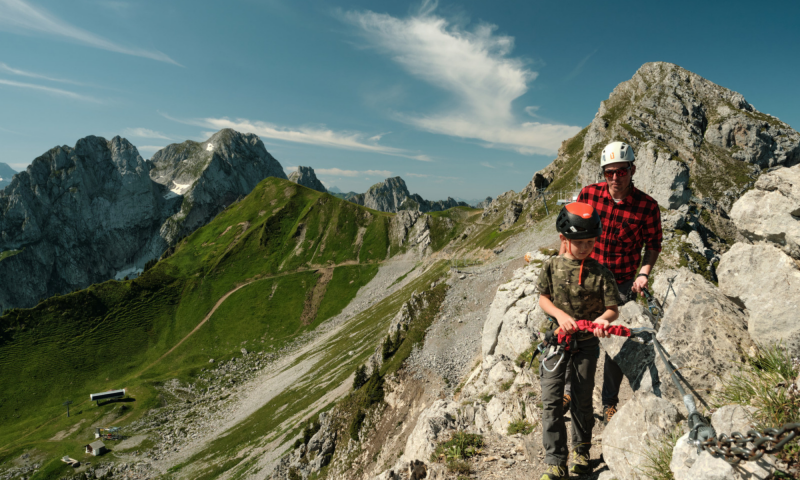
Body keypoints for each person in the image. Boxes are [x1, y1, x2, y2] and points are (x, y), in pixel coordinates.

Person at [559, 141, 663, 425]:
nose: (615, 178)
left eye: (622, 171)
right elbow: (570, 233)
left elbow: (653, 245)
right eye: (609, 172)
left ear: (633, 170)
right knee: (575, 335)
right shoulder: (588, 195)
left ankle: (609, 403)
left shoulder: (647, 206)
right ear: (603, 173)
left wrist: (643, 274)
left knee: (615, 345)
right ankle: (568, 392)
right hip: (585, 278)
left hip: (621, 284)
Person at [537, 202, 620, 480]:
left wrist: (603, 320)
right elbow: (543, 298)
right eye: (578, 242)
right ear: (564, 239)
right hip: (556, 343)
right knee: (551, 399)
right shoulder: (551, 266)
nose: (585, 247)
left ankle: (582, 450)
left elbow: (612, 308)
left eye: (590, 241)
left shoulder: (601, 272)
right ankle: (555, 460)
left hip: (586, 343)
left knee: (582, 398)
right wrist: (560, 316)